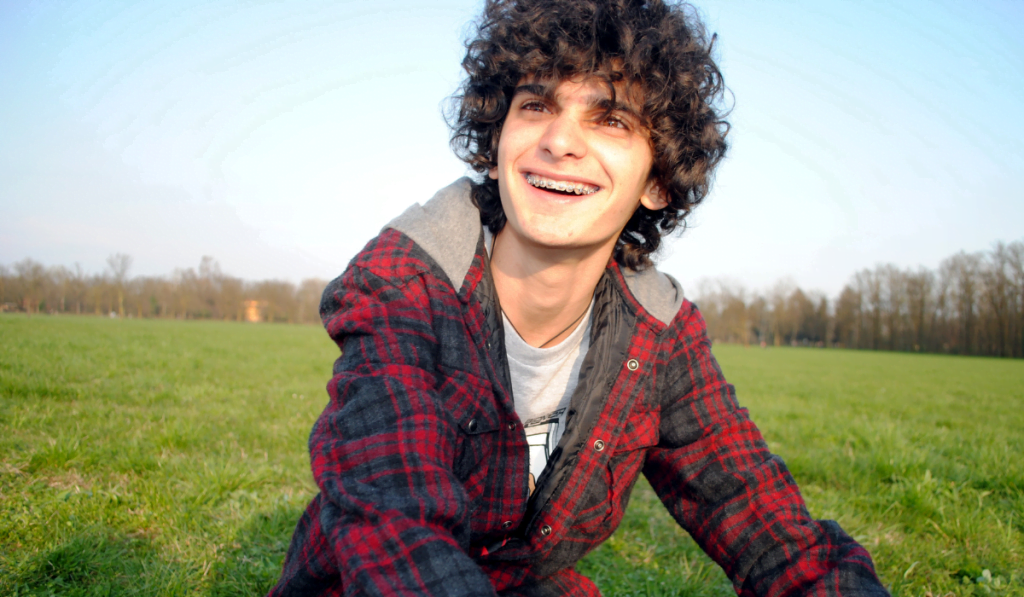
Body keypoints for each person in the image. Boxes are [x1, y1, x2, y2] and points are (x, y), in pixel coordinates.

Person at [270, 0, 890, 595]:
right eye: (537, 105)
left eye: (611, 118)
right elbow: (394, 523)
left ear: (657, 179)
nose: (560, 140)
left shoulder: (659, 333)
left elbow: (770, 530)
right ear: (497, 139)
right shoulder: (407, 287)